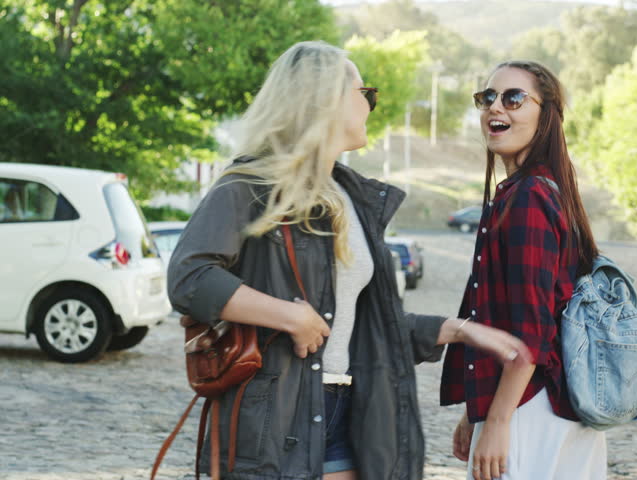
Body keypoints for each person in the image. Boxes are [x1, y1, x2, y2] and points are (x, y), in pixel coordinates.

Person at [167, 41, 532, 480]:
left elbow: (367, 323)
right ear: (326, 100)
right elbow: (189, 277)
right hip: (275, 420)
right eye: (365, 93)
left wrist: (457, 330)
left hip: (348, 414)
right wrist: (289, 316)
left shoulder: (350, 197)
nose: (370, 106)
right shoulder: (250, 184)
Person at [439, 61, 608, 480]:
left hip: (530, 413)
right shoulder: (543, 190)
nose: (496, 106)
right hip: (552, 409)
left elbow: (530, 329)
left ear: (545, 114)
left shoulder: (530, 195)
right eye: (487, 97)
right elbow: (501, 316)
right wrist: (475, 414)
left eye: (514, 97)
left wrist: (496, 422)